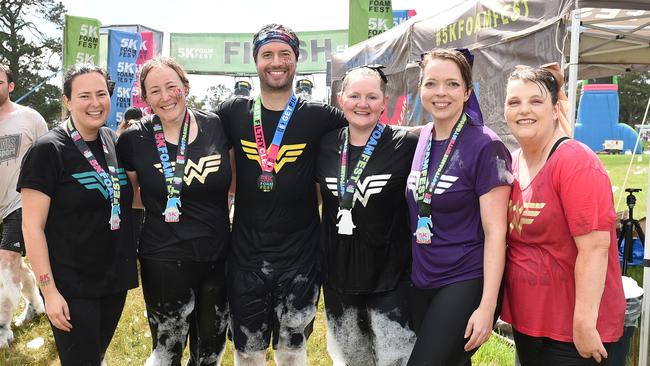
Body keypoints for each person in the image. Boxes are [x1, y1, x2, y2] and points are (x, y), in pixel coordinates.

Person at [214, 23, 346, 365]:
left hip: (301, 256)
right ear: (255, 61)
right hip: (246, 255)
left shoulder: (322, 117)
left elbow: (370, 127)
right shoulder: (232, 112)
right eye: (267, 54)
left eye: (284, 54)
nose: (276, 62)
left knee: (292, 349)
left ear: (296, 60)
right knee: (248, 350)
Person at [500, 65, 626, 365]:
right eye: (514, 102)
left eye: (536, 101)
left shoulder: (575, 162)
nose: (523, 110)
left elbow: (595, 248)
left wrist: (583, 323)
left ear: (556, 109)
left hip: (573, 333)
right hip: (530, 324)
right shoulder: (514, 162)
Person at [18, 63, 138, 365]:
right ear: (67, 101)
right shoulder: (48, 150)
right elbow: (31, 227)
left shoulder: (111, 141)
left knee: (94, 357)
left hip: (112, 281)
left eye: (101, 93)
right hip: (71, 286)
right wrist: (49, 291)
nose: (95, 103)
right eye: (84, 96)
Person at [117, 57, 231, 366]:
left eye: (172, 87)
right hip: (163, 256)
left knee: (210, 351)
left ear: (185, 86)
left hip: (216, 255)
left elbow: (232, 184)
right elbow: (132, 197)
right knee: (168, 349)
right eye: (155, 90)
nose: (166, 97)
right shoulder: (132, 139)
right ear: (145, 97)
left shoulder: (216, 126)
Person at [405, 48, 512, 366]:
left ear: (467, 92)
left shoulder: (485, 145)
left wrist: (487, 306)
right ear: (421, 89)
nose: (441, 93)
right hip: (423, 279)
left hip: (466, 279)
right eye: (431, 83)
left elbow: (497, 233)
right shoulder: (422, 137)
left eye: (452, 84)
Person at [316, 65, 418, 366]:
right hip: (338, 279)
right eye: (355, 96)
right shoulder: (324, 145)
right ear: (340, 99)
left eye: (372, 97)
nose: (363, 104)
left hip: (391, 281)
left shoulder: (406, 144)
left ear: (384, 102)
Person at [0, 63, 47, 348]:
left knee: (7, 260)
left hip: (22, 202)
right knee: (14, 262)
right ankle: (35, 304)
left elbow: (51, 156)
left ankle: (2, 327)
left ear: (10, 85)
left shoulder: (29, 118)